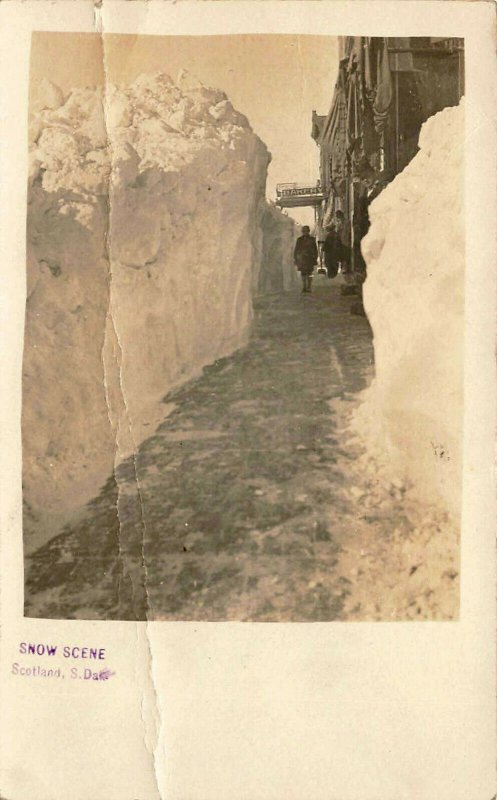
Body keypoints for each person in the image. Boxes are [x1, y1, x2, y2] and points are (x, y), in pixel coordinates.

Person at [293, 225, 318, 293]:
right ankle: (304, 286)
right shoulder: (299, 239)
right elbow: (296, 249)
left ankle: (309, 287)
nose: (305, 232)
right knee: (303, 273)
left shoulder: (312, 239)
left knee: (309, 273)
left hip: (309, 259)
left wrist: (315, 258)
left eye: (306, 231)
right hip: (302, 259)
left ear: (308, 231)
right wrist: (295, 258)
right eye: (304, 231)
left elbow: (315, 250)